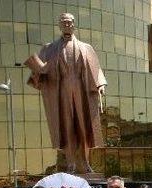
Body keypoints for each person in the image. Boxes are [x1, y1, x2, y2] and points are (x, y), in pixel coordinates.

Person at [25, 12, 106, 173]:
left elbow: (96, 70)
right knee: (67, 126)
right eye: (63, 23)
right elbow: (39, 72)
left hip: (81, 89)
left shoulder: (86, 48)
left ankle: (84, 161)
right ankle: (71, 163)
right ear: (59, 26)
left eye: (69, 22)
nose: (66, 25)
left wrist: (100, 84)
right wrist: (38, 70)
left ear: (74, 24)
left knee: (84, 127)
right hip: (61, 91)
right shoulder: (50, 48)